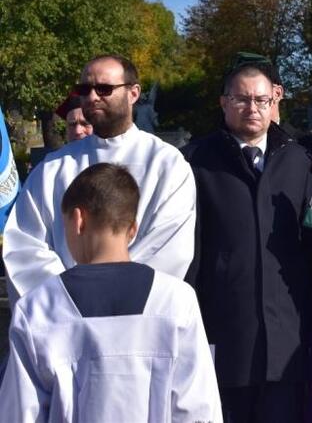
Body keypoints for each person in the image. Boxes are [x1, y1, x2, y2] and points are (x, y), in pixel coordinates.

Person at [0, 163, 221, 423]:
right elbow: (198, 409)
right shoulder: (177, 301)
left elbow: (20, 413)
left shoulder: (39, 307)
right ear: (133, 228)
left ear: (77, 220)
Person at [184, 60, 312, 422]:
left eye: (261, 99)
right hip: (223, 331)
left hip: (286, 336)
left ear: (273, 99)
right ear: (223, 102)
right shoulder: (194, 161)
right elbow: (188, 252)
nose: (253, 108)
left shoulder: (300, 159)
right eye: (242, 99)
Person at [3, 54, 197, 304]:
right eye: (85, 89)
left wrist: (108, 297)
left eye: (104, 89)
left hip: (136, 316)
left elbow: (169, 247)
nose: (92, 97)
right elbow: (24, 243)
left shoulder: (167, 164)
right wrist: (69, 297)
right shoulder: (53, 168)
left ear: (133, 93)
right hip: (63, 316)